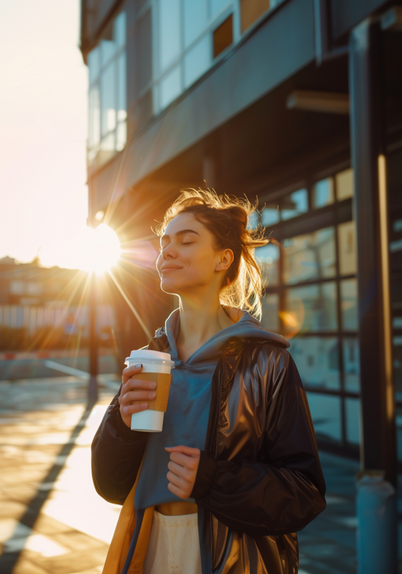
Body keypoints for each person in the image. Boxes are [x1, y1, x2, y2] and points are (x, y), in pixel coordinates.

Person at [91, 189, 326, 574]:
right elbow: (110, 485)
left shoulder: (268, 362)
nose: (167, 251)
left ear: (223, 258)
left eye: (186, 240)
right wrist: (122, 423)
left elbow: (304, 493)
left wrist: (212, 480)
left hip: (230, 556)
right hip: (147, 546)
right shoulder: (151, 356)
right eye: (164, 242)